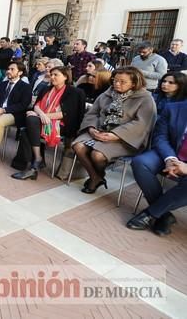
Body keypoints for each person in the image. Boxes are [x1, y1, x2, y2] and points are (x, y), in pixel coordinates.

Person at [72, 66, 157, 193]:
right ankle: (96, 177)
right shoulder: (107, 94)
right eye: (115, 80)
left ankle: (96, 177)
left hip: (125, 138)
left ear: (134, 83)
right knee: (78, 146)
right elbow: (93, 113)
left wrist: (115, 135)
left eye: (123, 82)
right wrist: (91, 128)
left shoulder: (145, 98)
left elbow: (141, 124)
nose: (117, 84)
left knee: (98, 155)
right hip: (99, 129)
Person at [12, 66, 85, 181]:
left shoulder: (74, 92)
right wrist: (41, 115)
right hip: (42, 120)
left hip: (61, 125)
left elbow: (66, 114)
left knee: (28, 127)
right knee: (29, 124)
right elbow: (36, 105)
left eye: (56, 75)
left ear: (65, 77)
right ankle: (36, 161)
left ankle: (35, 162)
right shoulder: (46, 89)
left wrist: (43, 116)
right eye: (51, 75)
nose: (52, 77)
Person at [127, 101, 187, 236]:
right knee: (140, 163)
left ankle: (150, 214)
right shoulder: (173, 108)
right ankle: (164, 215)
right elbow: (160, 137)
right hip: (170, 153)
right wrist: (170, 159)